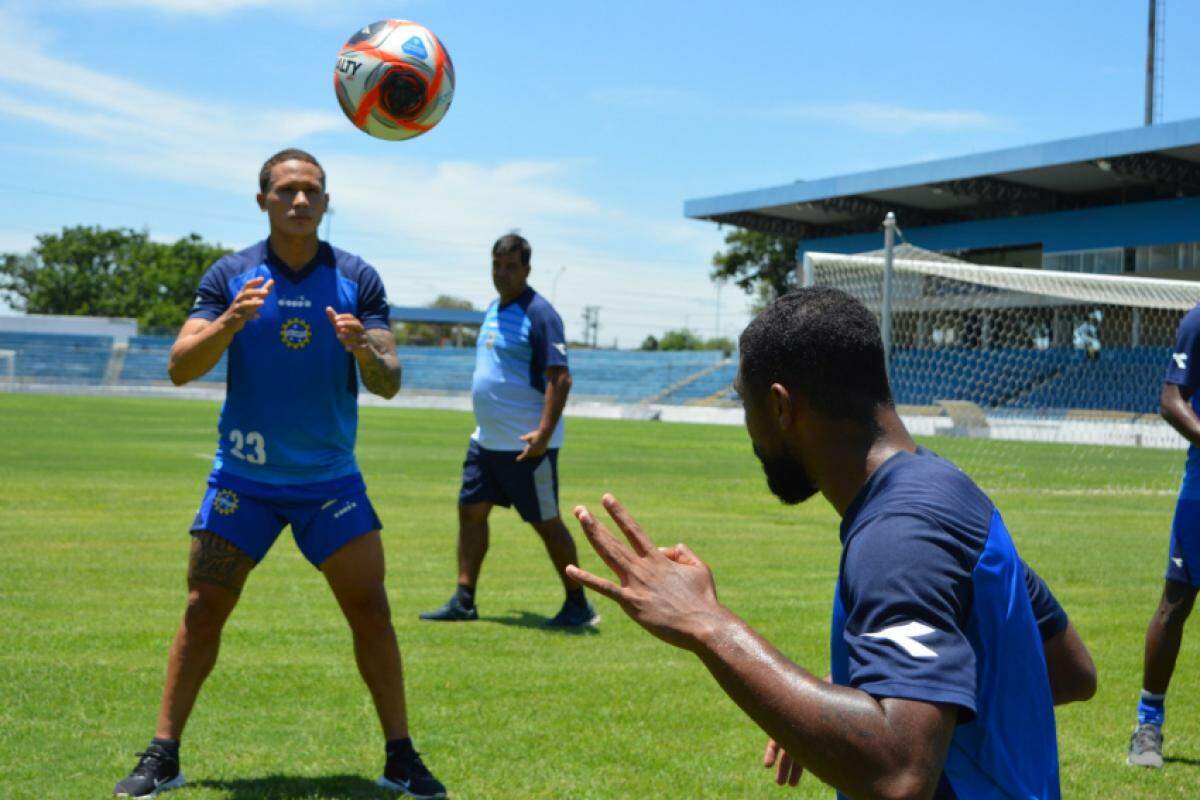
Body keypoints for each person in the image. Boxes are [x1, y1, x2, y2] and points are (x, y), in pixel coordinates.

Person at [566, 287, 1096, 798]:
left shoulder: (901, 535)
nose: (747, 429)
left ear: (780, 407)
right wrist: (850, 696)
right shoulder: (949, 492)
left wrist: (707, 623)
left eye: (743, 405)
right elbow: (1069, 669)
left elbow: (899, 773)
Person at [113, 149, 446, 799]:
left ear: (326, 202)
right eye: (287, 190)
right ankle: (164, 755)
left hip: (329, 484)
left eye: (312, 192)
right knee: (202, 610)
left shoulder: (357, 277)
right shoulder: (230, 275)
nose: (300, 201)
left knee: (372, 612)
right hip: (244, 481)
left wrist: (362, 349)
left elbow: (391, 381)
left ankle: (402, 758)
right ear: (262, 199)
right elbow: (181, 366)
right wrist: (233, 320)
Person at [420, 233, 595, 627]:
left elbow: (561, 378)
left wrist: (544, 434)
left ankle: (578, 603)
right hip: (486, 442)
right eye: (496, 265)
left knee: (546, 522)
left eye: (511, 266)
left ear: (527, 269)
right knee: (470, 513)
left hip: (527, 445)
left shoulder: (541, 313)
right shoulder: (493, 310)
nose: (502, 273)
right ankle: (464, 598)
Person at [1127, 301, 1200, 768]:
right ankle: (1147, 725)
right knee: (1175, 604)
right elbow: (1171, 400)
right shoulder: (1197, 321)